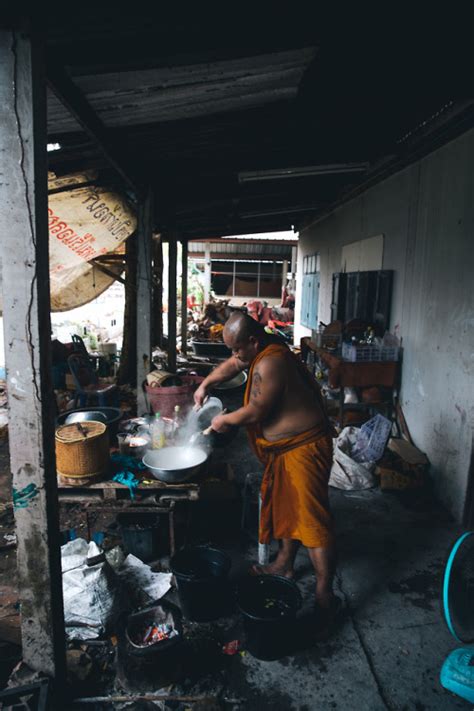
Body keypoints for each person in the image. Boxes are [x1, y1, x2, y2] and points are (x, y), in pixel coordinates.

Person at [194, 312, 340, 633]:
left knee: (313, 521)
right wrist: (206, 383)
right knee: (288, 510)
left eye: (237, 349)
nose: (234, 357)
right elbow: (234, 365)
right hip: (284, 452)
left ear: (253, 342)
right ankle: (285, 565)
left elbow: (258, 410)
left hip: (305, 448)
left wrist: (224, 420)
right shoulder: (258, 351)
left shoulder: (272, 362)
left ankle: (324, 593)